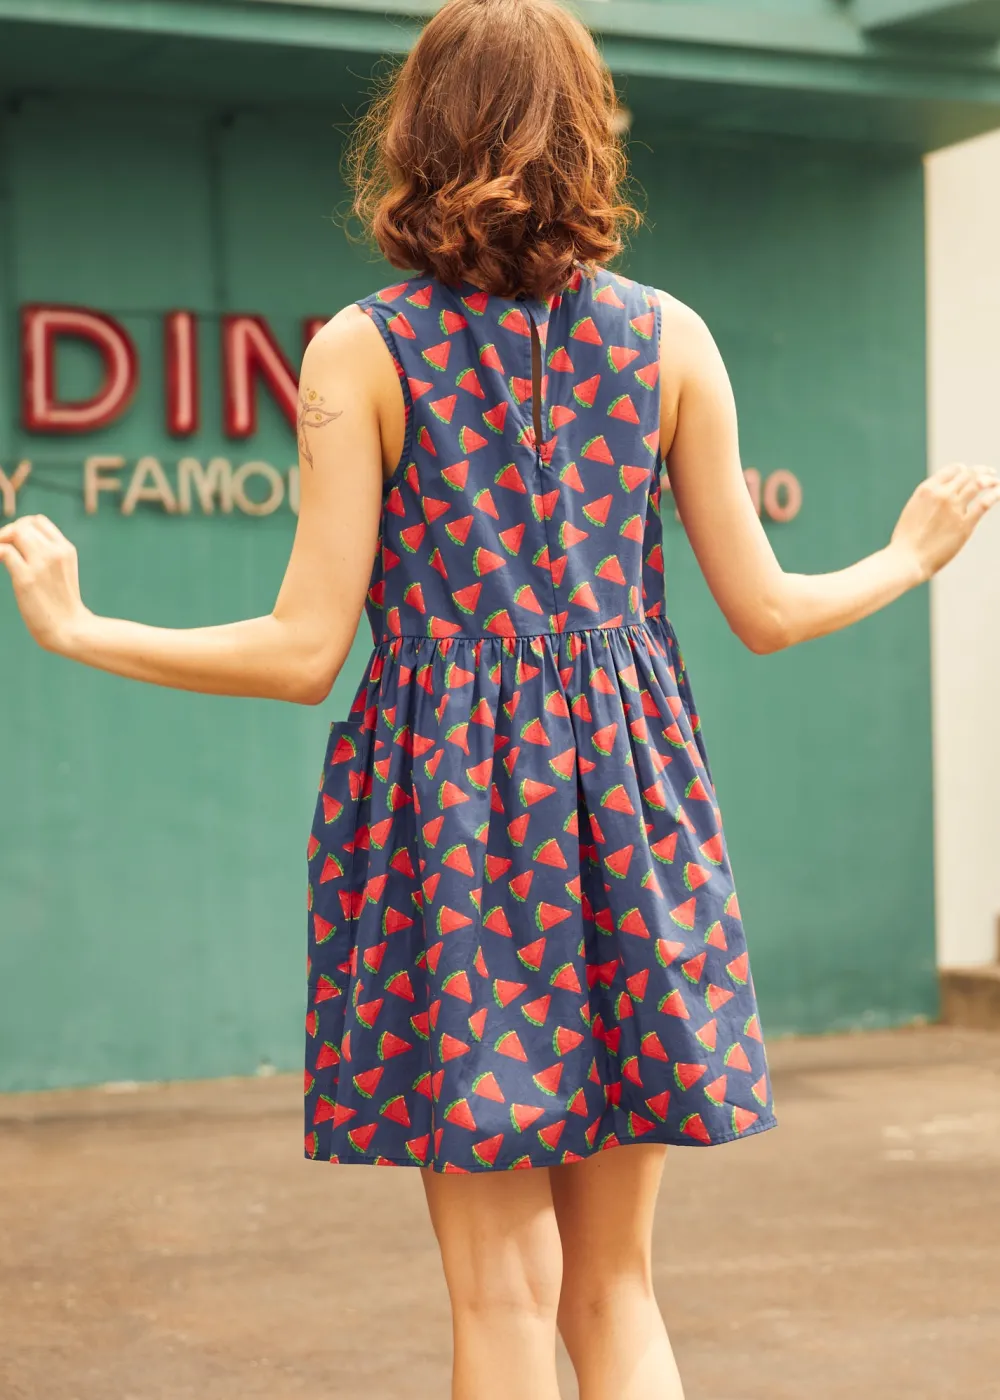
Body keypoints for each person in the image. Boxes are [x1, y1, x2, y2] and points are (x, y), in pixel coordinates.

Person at [2, 1, 998, 1395]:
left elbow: (303, 650)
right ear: (588, 133)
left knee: (501, 1293)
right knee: (617, 1288)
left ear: (416, 133)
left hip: (453, 823)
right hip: (629, 815)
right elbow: (767, 614)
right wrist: (906, 556)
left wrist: (83, 627)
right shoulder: (671, 341)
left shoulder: (362, 350)